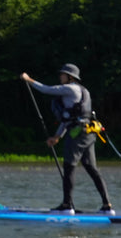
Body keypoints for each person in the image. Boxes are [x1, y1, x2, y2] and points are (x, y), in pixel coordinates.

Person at [21, 63, 113, 214]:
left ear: (70, 77)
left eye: (63, 74)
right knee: (91, 168)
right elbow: (69, 119)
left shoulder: (69, 88)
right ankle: (107, 206)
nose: (60, 76)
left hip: (77, 135)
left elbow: (46, 89)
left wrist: (28, 79)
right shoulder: (85, 91)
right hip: (88, 134)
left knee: (69, 167)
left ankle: (67, 205)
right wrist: (57, 137)